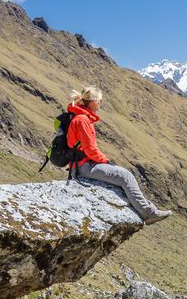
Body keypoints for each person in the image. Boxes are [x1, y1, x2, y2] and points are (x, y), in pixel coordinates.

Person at [66, 86, 172, 225]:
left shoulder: (80, 117)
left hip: (81, 164)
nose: (100, 103)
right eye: (100, 101)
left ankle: (148, 209)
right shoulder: (83, 120)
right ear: (93, 102)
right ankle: (148, 213)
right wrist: (106, 161)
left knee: (120, 174)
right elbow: (90, 150)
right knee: (125, 176)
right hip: (84, 167)